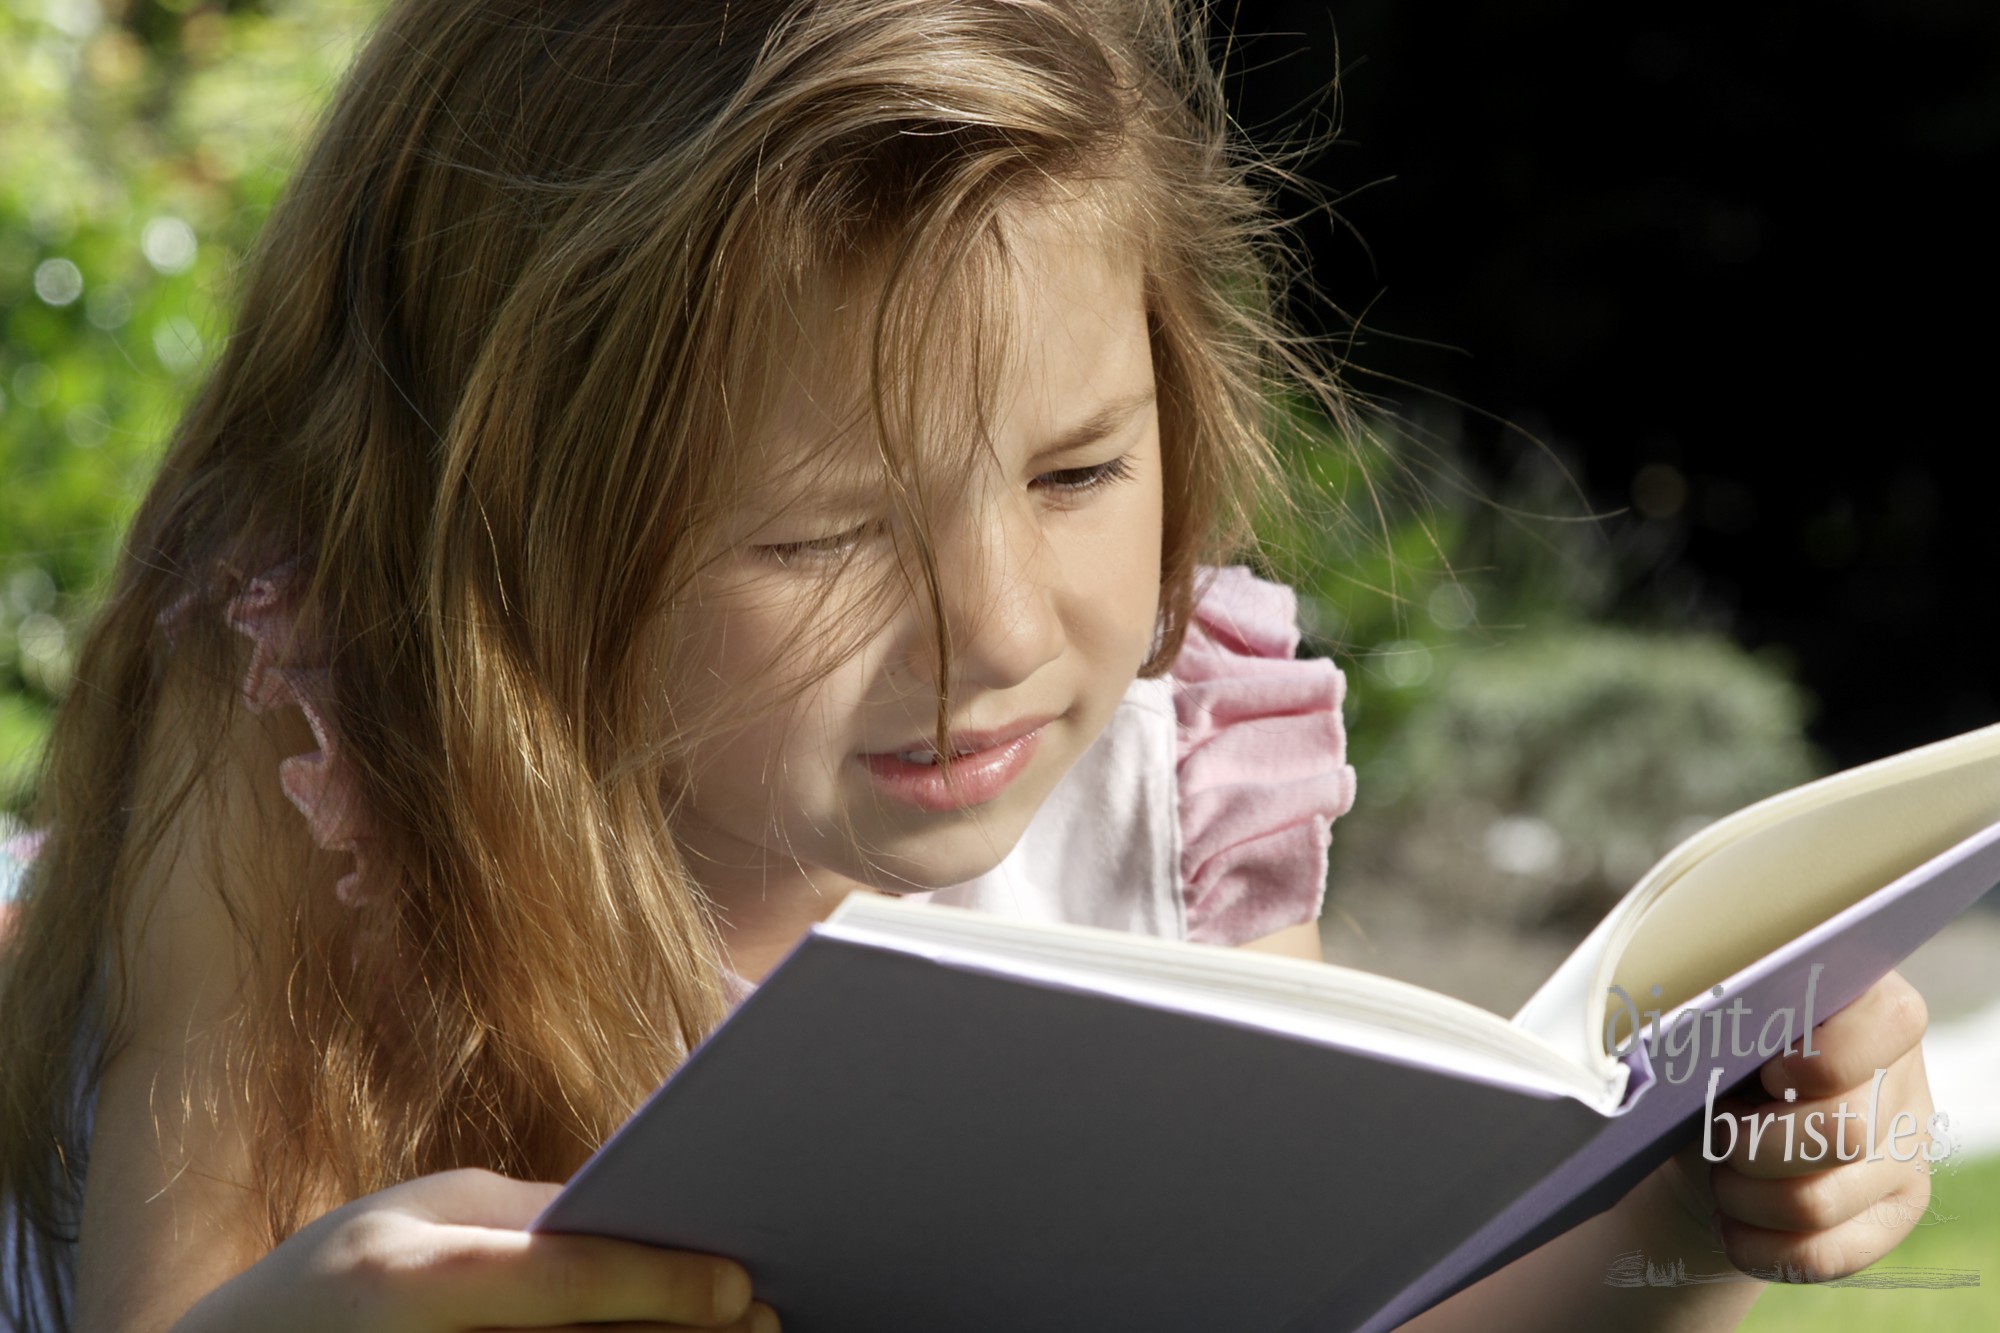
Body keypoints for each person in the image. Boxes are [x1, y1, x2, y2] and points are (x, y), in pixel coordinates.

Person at [0, 1, 1939, 1329]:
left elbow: (1364, 1307)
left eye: (1082, 470)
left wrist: (1687, 1206)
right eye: (824, 532)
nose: (1003, 637)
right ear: (499, 525)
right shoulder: (309, 738)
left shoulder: (1156, 759)